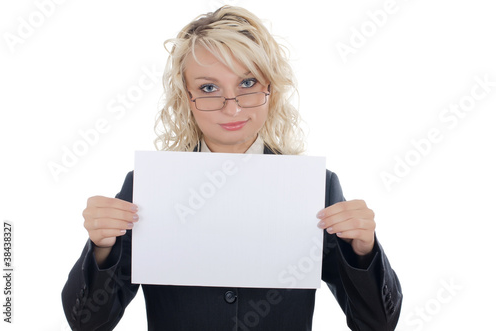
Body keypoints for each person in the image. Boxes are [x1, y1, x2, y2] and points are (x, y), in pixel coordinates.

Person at [62, 5, 402, 331]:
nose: (232, 107)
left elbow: (376, 324)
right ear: (186, 97)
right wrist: (102, 248)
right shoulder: (148, 187)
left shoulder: (314, 188)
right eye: (209, 88)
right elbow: (87, 323)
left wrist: (363, 250)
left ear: (271, 88)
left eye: (248, 83)